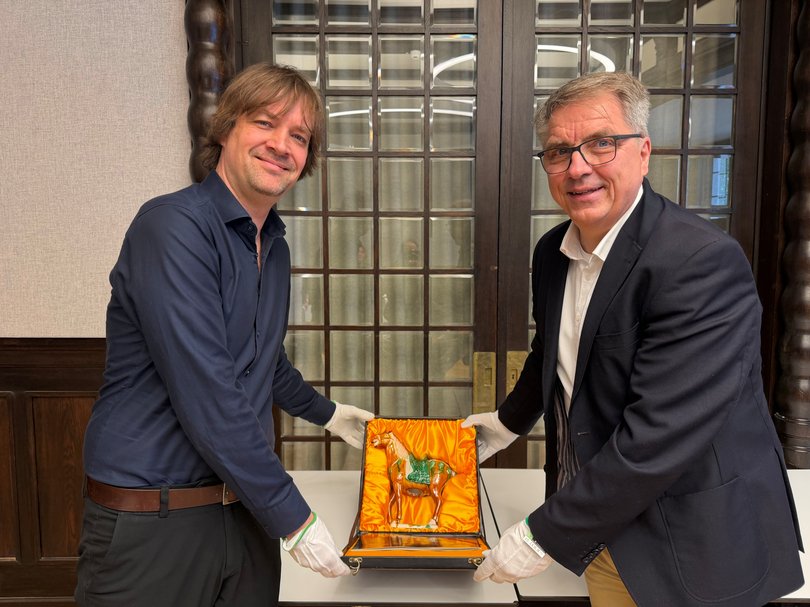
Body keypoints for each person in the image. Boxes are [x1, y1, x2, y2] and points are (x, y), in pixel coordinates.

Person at [463, 71, 804, 606]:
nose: (578, 168)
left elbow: (660, 433)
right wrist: (505, 424)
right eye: (558, 151)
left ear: (643, 152)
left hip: (694, 542)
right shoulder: (553, 250)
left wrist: (543, 533)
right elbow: (549, 352)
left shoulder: (698, 260)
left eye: (601, 144)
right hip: (607, 528)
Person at [75, 63, 374, 607]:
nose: (282, 145)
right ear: (227, 127)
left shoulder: (273, 245)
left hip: (242, 507)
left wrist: (327, 414)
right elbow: (208, 390)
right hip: (155, 516)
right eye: (266, 123)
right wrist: (295, 518)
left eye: (299, 137)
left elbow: (263, 360)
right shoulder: (172, 227)